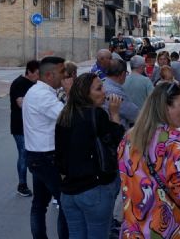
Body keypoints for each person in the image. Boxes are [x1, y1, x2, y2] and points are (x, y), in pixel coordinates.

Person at [117, 83, 180, 238]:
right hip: (167, 229)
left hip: (133, 228)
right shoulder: (175, 141)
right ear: (166, 108)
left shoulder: (128, 138)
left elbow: (124, 176)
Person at [54, 74, 125, 238]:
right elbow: (117, 144)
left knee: (76, 235)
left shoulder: (65, 115)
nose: (104, 92)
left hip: (69, 192)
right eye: (99, 88)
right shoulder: (96, 114)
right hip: (94, 189)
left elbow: (59, 155)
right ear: (86, 93)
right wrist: (115, 115)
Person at [22, 56, 69, 239]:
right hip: (45, 157)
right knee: (65, 202)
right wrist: (70, 92)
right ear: (49, 75)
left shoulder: (38, 92)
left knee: (39, 204)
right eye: (62, 72)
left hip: (38, 155)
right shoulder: (42, 95)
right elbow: (67, 118)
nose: (65, 75)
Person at [10, 59, 40, 197]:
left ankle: (39, 184)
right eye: (37, 74)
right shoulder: (18, 84)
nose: (38, 77)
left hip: (32, 126)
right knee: (23, 154)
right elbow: (21, 104)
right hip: (20, 126)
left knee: (33, 155)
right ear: (29, 72)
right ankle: (22, 185)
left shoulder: (35, 84)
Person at [102, 58, 140, 128]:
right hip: (119, 132)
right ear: (122, 74)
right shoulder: (115, 92)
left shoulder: (105, 84)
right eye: (126, 73)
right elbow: (134, 114)